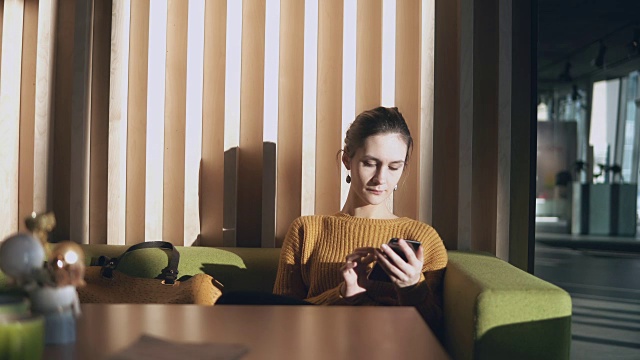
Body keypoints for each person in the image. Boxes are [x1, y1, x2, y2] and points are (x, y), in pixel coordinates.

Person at [272, 106, 448, 339]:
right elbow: (278, 320)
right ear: (347, 160)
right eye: (370, 163)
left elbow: (437, 331)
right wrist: (344, 294)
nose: (381, 179)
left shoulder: (423, 238)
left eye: (394, 167)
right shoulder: (307, 231)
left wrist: (412, 289)